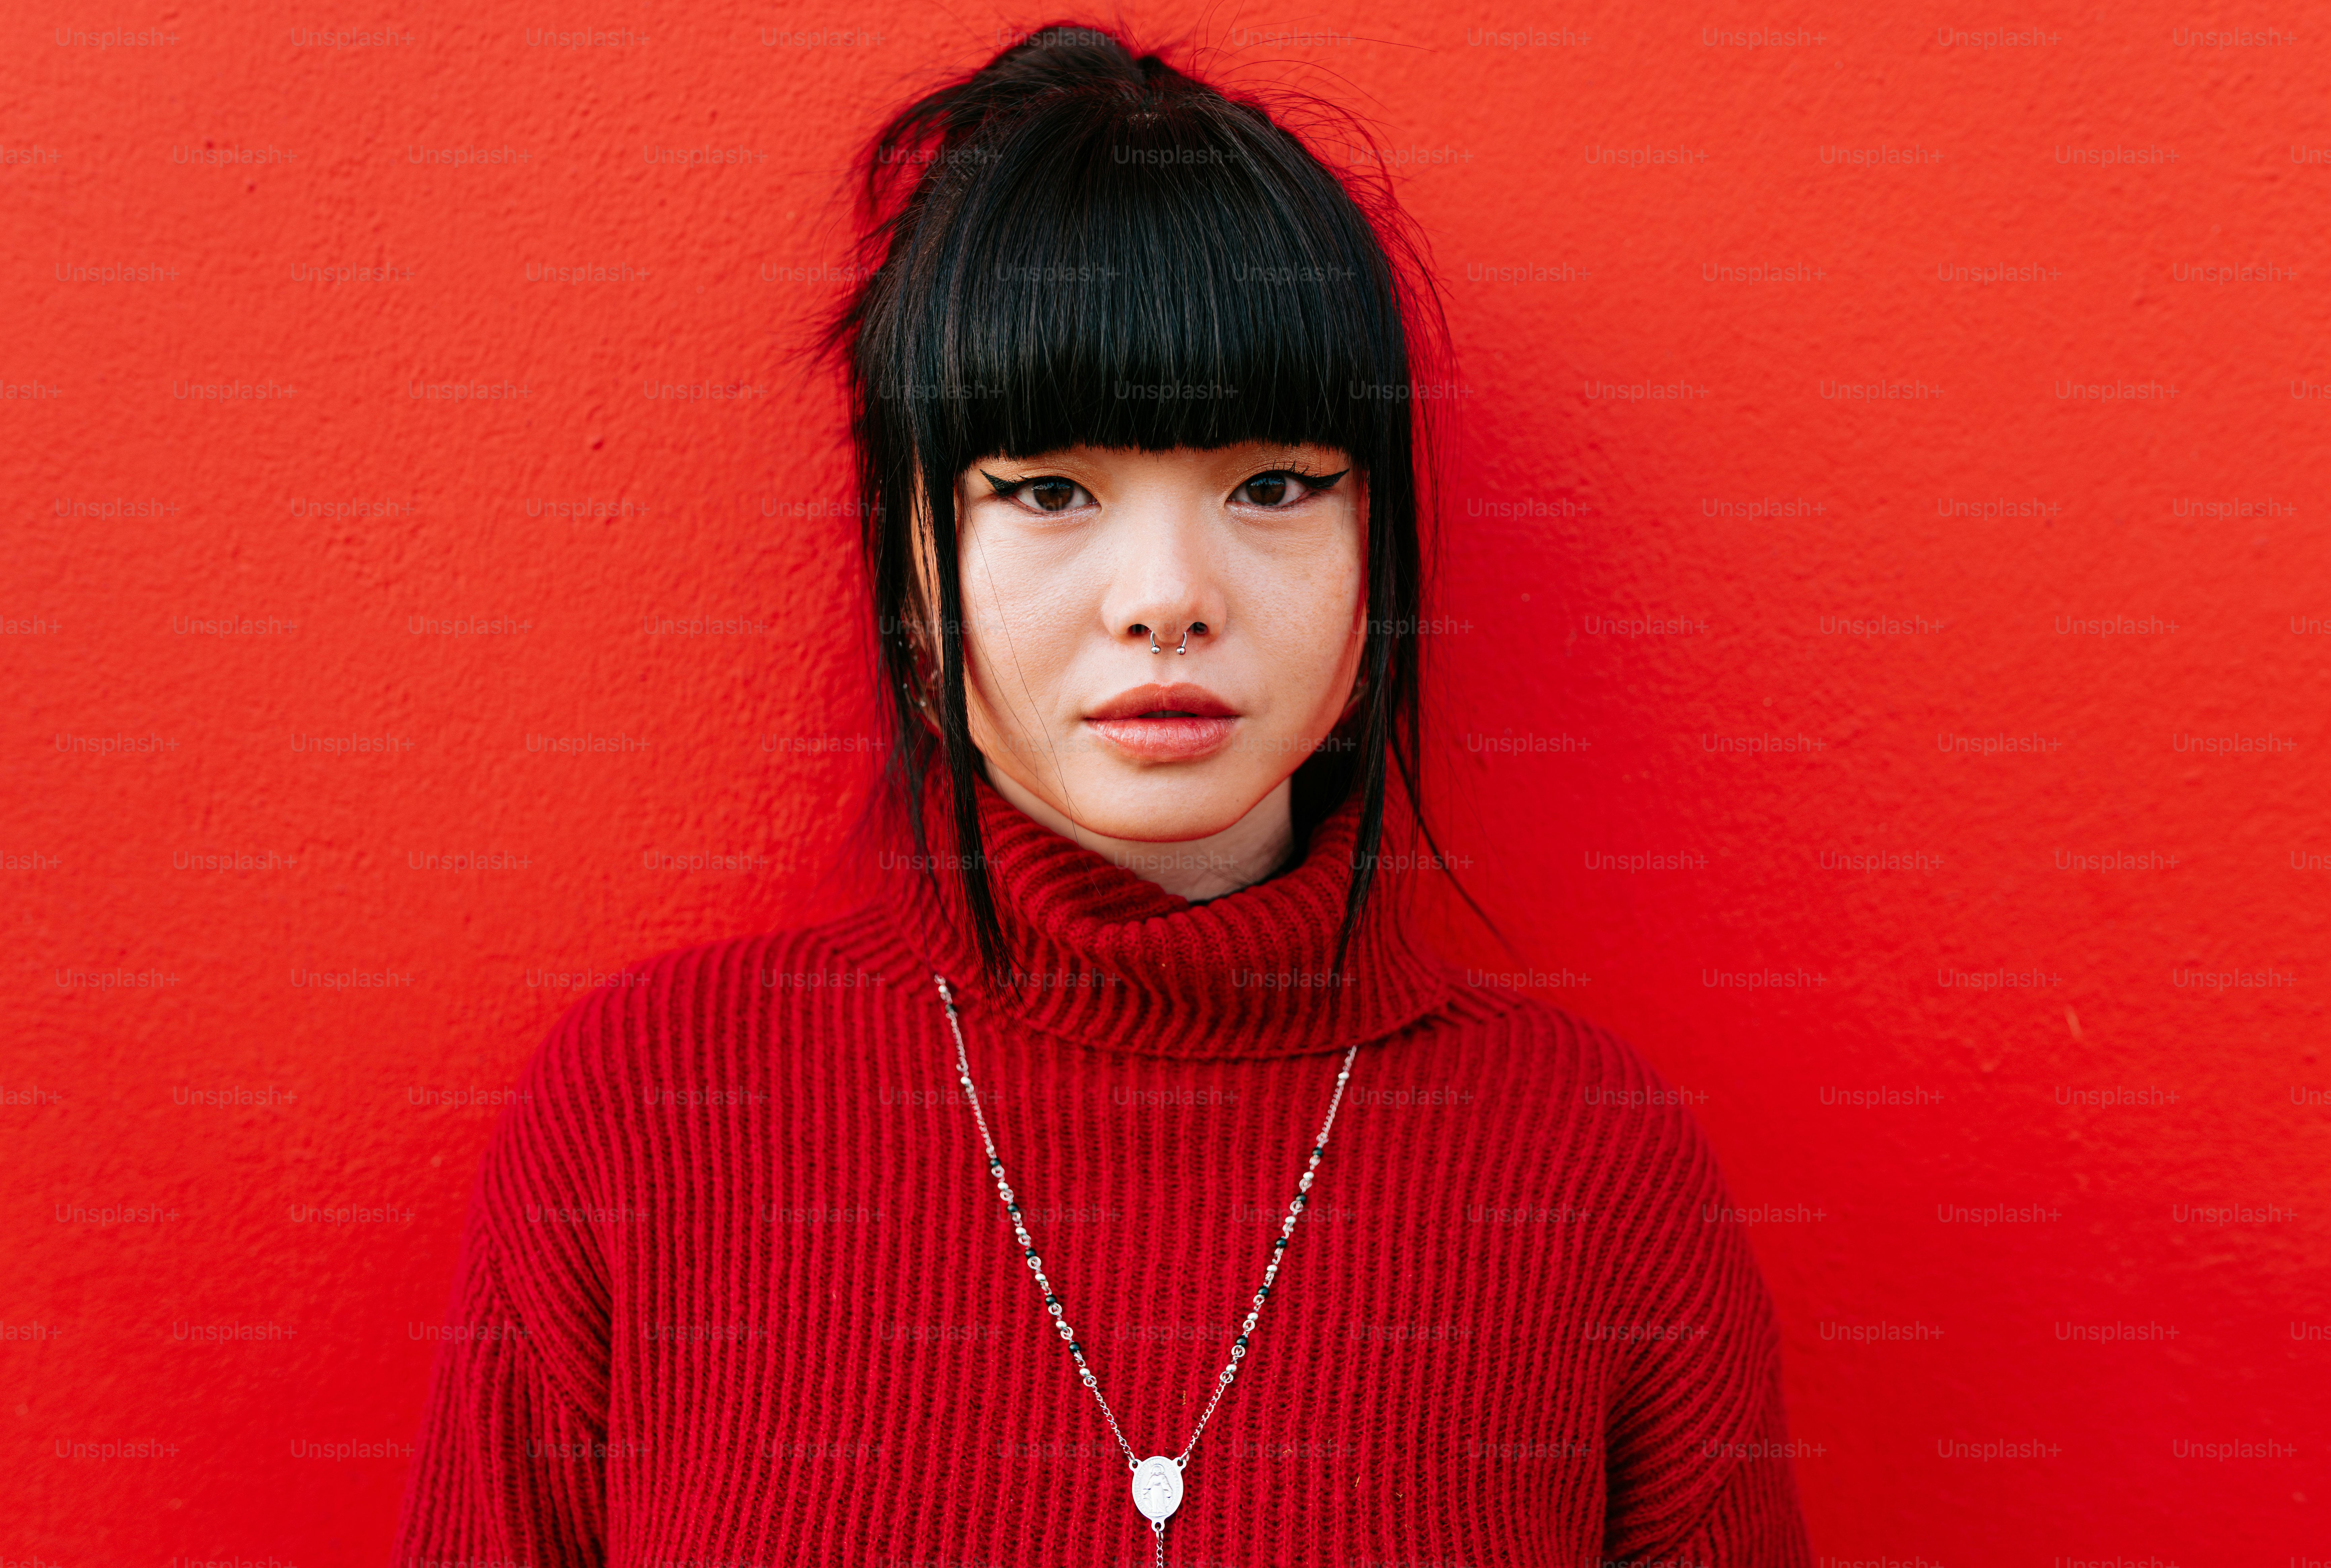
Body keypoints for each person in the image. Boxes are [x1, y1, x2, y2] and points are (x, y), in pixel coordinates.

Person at [394, 23, 1813, 1566]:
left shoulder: (1592, 1174)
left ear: (1378, 549)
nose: (1166, 598)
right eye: (1050, 490)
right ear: (914, 563)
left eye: (1273, 486)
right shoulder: (650, 1118)